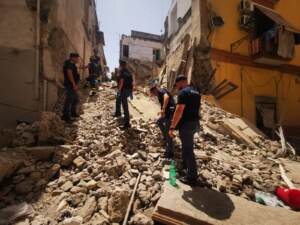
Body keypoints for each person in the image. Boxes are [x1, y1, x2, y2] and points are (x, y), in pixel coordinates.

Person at [169, 75, 201, 186]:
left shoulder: (183, 93)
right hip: (195, 123)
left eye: (177, 85)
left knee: (188, 150)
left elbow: (179, 111)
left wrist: (172, 127)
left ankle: (192, 177)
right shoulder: (196, 92)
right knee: (187, 146)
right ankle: (185, 165)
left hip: (186, 125)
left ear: (181, 82)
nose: (177, 87)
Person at [150, 86, 175, 158]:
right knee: (159, 121)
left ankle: (170, 153)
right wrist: (161, 111)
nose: (154, 95)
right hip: (167, 113)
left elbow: (166, 97)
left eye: (153, 93)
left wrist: (163, 109)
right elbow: (164, 102)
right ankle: (165, 136)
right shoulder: (159, 94)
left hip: (170, 113)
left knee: (168, 132)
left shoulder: (161, 91)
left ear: (155, 90)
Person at [62, 53, 81, 123]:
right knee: (69, 99)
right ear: (73, 58)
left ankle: (73, 113)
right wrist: (74, 84)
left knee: (75, 99)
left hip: (72, 84)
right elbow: (69, 73)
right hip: (70, 85)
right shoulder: (69, 63)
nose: (78, 59)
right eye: (77, 58)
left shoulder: (72, 64)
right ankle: (65, 116)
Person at [118, 60, 133, 129]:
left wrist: (119, 90)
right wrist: (131, 93)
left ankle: (127, 123)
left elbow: (121, 82)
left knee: (125, 106)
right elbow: (132, 83)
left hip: (124, 90)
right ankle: (126, 119)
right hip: (129, 90)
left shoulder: (121, 71)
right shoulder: (129, 72)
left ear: (120, 65)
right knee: (125, 106)